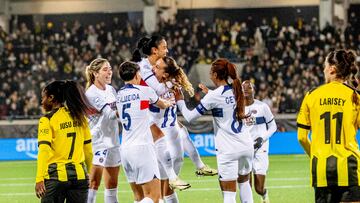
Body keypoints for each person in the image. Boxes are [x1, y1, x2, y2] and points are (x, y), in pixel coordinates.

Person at [175, 58, 254, 203]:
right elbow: (225, 102)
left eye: (211, 72)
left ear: (216, 75)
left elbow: (189, 117)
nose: (210, 74)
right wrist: (210, 93)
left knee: (229, 193)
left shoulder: (214, 96)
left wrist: (179, 99)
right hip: (246, 145)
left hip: (229, 149)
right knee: (244, 183)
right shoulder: (237, 89)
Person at [297, 49, 360, 203]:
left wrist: (316, 154)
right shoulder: (355, 96)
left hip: (321, 169)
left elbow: (302, 137)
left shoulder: (311, 95)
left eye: (325, 66)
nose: (323, 69)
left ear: (332, 69)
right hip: (350, 167)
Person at [132, 35, 190, 192]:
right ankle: (172, 178)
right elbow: (158, 90)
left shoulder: (159, 67)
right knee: (153, 179)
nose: (167, 50)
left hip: (156, 116)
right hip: (143, 115)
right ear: (154, 50)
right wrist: (173, 82)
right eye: (164, 47)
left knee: (173, 161)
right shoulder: (143, 68)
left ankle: (172, 179)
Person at [116, 61, 174, 203]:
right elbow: (161, 104)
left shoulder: (118, 95)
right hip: (142, 148)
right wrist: (170, 102)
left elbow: (122, 113)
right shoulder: (144, 91)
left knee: (139, 197)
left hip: (125, 150)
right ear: (137, 75)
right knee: (154, 198)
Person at [35, 80, 93, 203]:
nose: (42, 101)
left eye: (43, 97)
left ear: (51, 98)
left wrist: (39, 178)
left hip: (55, 178)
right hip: (80, 177)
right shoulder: (80, 117)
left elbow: (44, 150)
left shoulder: (47, 120)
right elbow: (88, 151)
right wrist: (90, 172)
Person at [85, 58, 121, 203]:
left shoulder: (111, 89)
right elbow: (111, 114)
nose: (109, 72)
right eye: (105, 69)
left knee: (112, 184)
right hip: (98, 142)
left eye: (110, 69)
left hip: (112, 141)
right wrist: (132, 105)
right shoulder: (91, 93)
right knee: (94, 183)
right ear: (95, 73)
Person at [242, 80, 277, 203]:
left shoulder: (262, 107)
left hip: (260, 149)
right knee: (247, 187)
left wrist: (262, 138)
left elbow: (273, 127)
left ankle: (264, 194)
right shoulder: (237, 108)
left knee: (258, 188)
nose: (246, 89)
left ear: (254, 90)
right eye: (243, 88)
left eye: (249, 87)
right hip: (245, 149)